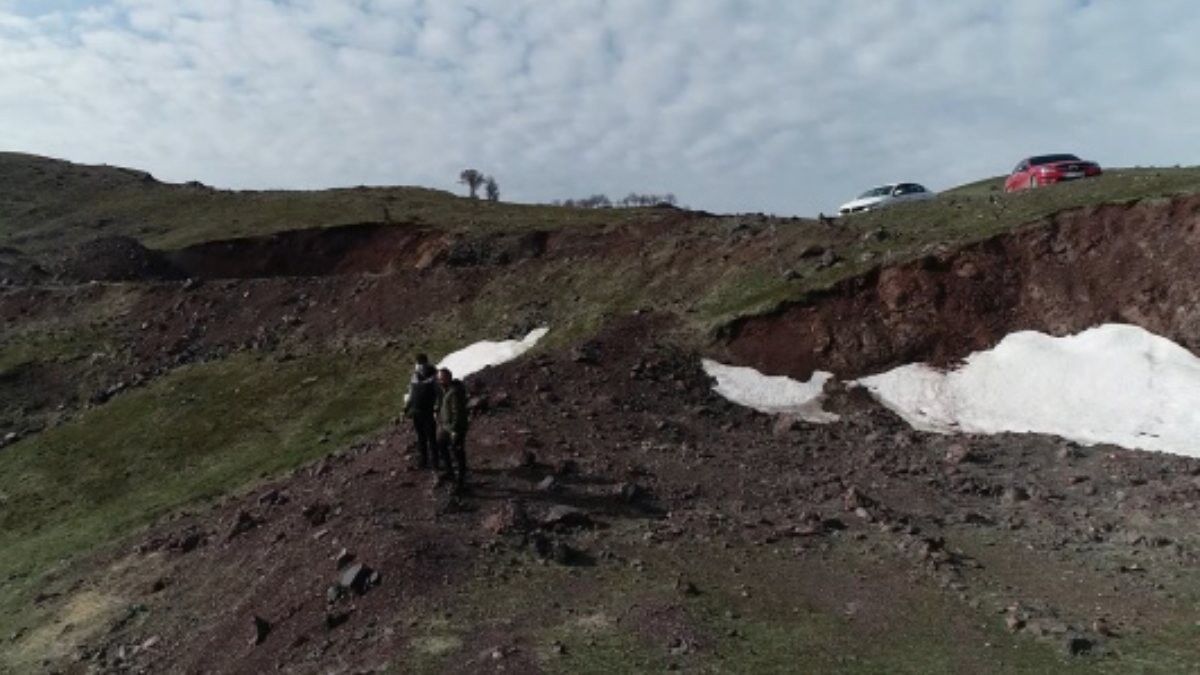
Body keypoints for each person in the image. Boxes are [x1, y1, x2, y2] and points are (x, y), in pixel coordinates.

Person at [434, 367, 470, 490]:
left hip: (456, 428)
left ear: (448, 378)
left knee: (457, 452)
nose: (440, 381)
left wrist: (454, 430)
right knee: (441, 444)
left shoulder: (455, 392)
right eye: (439, 379)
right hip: (446, 426)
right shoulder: (446, 390)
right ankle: (449, 471)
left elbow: (457, 412)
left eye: (442, 379)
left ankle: (461, 480)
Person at [403, 354, 439, 471]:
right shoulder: (414, 376)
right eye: (419, 364)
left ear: (426, 363)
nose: (420, 366)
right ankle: (423, 461)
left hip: (428, 411)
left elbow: (438, 393)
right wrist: (406, 408)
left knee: (431, 437)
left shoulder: (434, 376)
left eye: (422, 363)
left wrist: (437, 408)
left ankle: (435, 462)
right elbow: (411, 394)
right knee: (420, 437)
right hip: (416, 411)